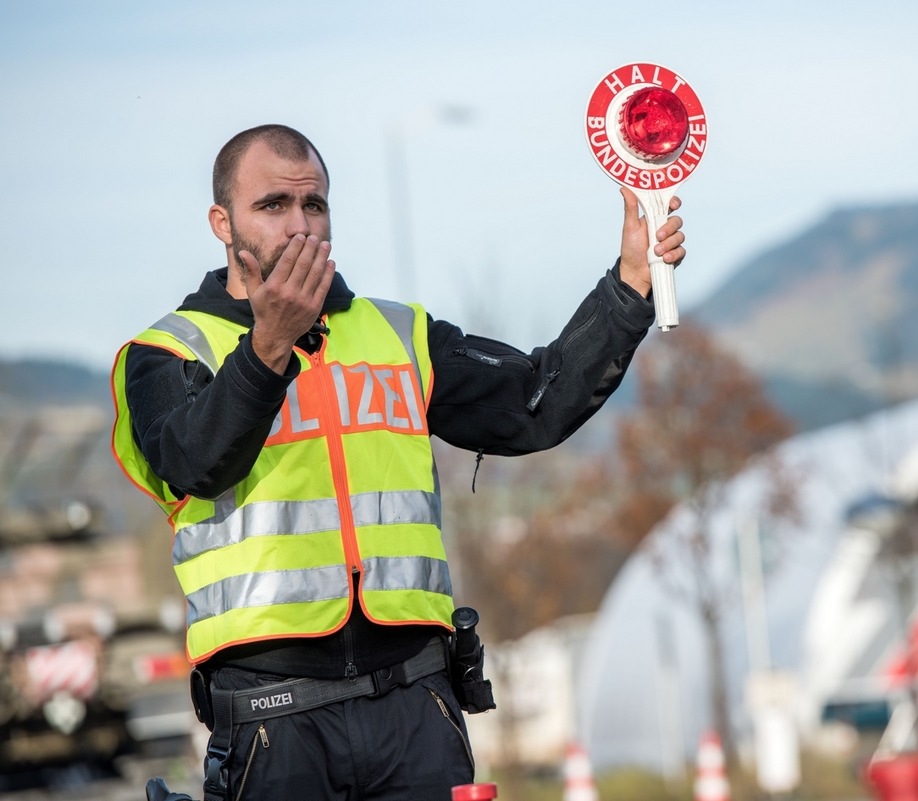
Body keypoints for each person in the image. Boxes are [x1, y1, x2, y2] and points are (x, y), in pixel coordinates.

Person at [111, 123, 685, 801]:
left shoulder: (398, 332)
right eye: (273, 205)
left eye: (314, 204)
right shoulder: (168, 352)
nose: (299, 224)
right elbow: (192, 461)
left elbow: (537, 401)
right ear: (222, 222)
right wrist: (269, 347)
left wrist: (631, 285)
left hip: (416, 705)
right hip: (274, 720)